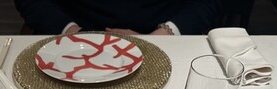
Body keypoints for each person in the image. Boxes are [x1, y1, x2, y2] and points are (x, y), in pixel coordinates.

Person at [14, 0, 223, 36]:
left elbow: (205, 3)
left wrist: (162, 35)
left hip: (162, 36)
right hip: (75, 37)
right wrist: (72, 32)